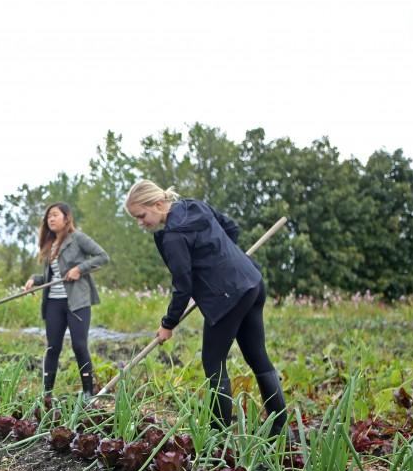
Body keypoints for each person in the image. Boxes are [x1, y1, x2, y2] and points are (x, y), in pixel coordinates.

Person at [124, 179, 287, 436]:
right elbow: (230, 228)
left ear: (157, 204)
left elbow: (183, 285)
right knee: (257, 356)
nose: (140, 222)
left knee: (213, 362)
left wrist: (168, 324)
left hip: (227, 297)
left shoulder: (173, 236)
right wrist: (227, 259)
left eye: (141, 216)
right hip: (251, 282)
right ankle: (280, 429)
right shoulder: (193, 205)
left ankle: (218, 434)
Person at [24, 203, 109, 399]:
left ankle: (88, 392)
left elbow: (102, 257)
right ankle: (46, 394)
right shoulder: (49, 244)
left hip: (77, 301)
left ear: (66, 218)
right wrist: (34, 280)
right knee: (52, 346)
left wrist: (80, 269)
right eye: (48, 217)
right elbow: (51, 276)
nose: (50, 219)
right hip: (54, 302)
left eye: (54, 215)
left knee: (79, 345)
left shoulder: (77, 238)